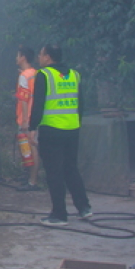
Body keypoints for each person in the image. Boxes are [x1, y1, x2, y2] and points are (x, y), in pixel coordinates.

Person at [29, 44, 91, 226]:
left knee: (54, 172)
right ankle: (84, 208)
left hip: (52, 130)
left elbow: (38, 104)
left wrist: (32, 128)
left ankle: (59, 214)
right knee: (71, 168)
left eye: (41, 54)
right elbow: (81, 104)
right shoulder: (74, 74)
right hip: (72, 129)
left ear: (48, 57)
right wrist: (77, 124)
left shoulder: (44, 74)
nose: (39, 58)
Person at [15, 46, 42, 191]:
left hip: (27, 118)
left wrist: (25, 120)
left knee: (30, 149)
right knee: (29, 148)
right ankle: (30, 177)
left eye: (18, 55)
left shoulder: (24, 76)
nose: (16, 58)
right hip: (36, 115)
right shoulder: (36, 73)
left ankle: (32, 181)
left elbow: (24, 99)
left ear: (23, 57)